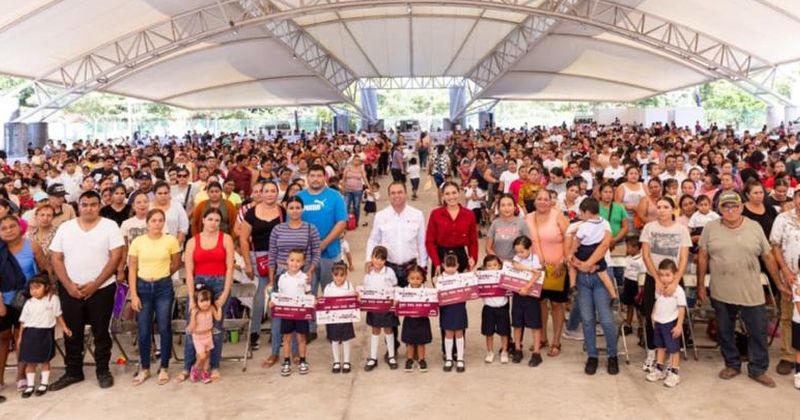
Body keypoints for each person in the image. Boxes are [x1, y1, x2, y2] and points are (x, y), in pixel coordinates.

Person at [697, 191, 784, 388]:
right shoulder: (710, 228)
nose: (730, 210)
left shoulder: (754, 227)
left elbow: (768, 257)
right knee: (725, 331)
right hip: (721, 290)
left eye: (734, 206)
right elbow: (702, 256)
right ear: (719, 210)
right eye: (726, 207)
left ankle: (758, 369)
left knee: (758, 331)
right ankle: (732, 364)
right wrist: (701, 284)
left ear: (741, 207)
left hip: (751, 291)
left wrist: (778, 283)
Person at [48, 190, 124, 391]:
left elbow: (115, 257)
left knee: (101, 332)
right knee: (72, 333)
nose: (89, 208)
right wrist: (68, 286)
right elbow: (55, 258)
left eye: (93, 204)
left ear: (99, 205)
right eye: (84, 204)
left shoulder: (110, 226)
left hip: (102, 289)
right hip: (71, 290)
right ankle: (73, 372)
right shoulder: (66, 228)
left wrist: (95, 284)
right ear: (78, 206)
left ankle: (102, 370)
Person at [178, 208, 235, 383]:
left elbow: (229, 267)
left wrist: (225, 293)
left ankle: (214, 365)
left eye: (217, 220)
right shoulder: (192, 242)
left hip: (219, 283)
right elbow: (189, 271)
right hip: (198, 287)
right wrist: (191, 298)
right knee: (192, 327)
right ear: (203, 220)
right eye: (210, 219)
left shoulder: (226, 239)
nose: (213, 223)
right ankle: (188, 367)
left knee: (216, 328)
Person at [264, 196, 320, 368]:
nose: (294, 211)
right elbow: (271, 254)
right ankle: (274, 353)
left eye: (297, 207)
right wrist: (272, 278)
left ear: (302, 210)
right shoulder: (278, 229)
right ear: (286, 209)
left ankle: (296, 353)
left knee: (298, 314)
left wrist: (309, 271)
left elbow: (316, 252)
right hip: (281, 273)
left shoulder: (310, 229)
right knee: (278, 316)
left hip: (302, 274)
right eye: (291, 208)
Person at [127, 209, 181, 386]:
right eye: (154, 221)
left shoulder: (171, 241)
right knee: (143, 329)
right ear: (147, 223)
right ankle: (144, 368)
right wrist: (134, 295)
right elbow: (132, 269)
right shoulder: (138, 242)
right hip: (142, 287)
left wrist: (163, 275)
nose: (157, 224)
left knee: (164, 326)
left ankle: (164, 367)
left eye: (160, 220)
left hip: (163, 287)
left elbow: (176, 263)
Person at [297, 164, 347, 340]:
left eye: (319, 175)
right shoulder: (299, 198)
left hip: (330, 254)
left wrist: (324, 243)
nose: (316, 179)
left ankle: (332, 327)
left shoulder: (335, 197)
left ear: (324, 177)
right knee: (308, 293)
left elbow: (341, 222)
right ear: (307, 177)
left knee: (331, 292)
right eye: (312, 175)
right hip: (306, 257)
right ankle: (310, 329)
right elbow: (293, 224)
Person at [239, 181, 285, 350]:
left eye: (273, 191)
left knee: (277, 297)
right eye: (267, 191)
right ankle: (255, 333)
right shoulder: (251, 213)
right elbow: (243, 238)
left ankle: (277, 332)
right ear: (261, 193)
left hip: (280, 259)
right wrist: (247, 263)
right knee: (259, 298)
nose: (270, 194)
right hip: (257, 258)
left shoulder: (282, 211)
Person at [525, 189, 569, 356]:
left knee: (557, 305)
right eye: (539, 199)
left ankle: (556, 341)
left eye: (546, 199)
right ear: (534, 201)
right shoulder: (528, 218)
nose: (543, 202)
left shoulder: (558, 216)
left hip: (558, 269)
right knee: (540, 303)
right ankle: (542, 337)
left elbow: (569, 238)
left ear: (552, 201)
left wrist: (563, 260)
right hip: (536, 270)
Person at [16, 274, 71, 398]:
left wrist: (65, 327)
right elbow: (23, 321)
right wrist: (20, 337)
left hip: (45, 333)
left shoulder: (53, 299)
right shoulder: (29, 303)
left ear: (46, 287)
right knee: (30, 362)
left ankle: (44, 383)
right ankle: (30, 385)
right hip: (30, 334)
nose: (34, 291)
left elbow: (58, 315)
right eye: (31, 288)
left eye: (37, 287)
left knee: (45, 360)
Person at [770, 191, 800, 376]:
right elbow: (775, 246)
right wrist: (786, 271)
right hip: (791, 277)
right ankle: (788, 355)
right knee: (788, 317)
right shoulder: (783, 218)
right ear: (795, 199)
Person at [567, 198, 619, 304]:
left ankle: (572, 286)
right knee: (603, 274)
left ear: (587, 212)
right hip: (597, 252)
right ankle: (613, 296)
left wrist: (571, 253)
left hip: (585, 250)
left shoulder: (584, 225)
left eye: (581, 213)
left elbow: (577, 241)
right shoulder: (603, 223)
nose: (580, 215)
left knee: (572, 265)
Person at [645, 259, 687, 388]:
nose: (664, 278)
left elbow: (681, 308)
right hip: (659, 322)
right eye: (661, 275)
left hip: (671, 323)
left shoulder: (678, 290)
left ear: (674, 275)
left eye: (667, 275)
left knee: (674, 349)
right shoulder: (659, 288)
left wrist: (679, 325)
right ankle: (659, 369)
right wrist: (653, 315)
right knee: (660, 347)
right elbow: (657, 302)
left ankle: (674, 372)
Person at [274, 249, 312, 377]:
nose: (294, 263)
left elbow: (308, 294)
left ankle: (302, 361)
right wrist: (273, 302)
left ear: (302, 263)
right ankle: (286, 362)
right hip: (287, 313)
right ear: (287, 261)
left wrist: (313, 301)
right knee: (287, 338)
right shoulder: (282, 278)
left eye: (298, 261)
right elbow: (279, 295)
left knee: (301, 338)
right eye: (292, 260)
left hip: (301, 313)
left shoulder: (304, 278)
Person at [363, 246, 399, 371]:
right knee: (375, 330)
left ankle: (392, 356)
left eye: (381, 259)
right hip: (374, 307)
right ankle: (373, 358)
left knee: (389, 330)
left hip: (387, 306)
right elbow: (365, 290)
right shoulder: (368, 274)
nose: (378, 261)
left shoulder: (390, 272)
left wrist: (395, 298)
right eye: (376, 258)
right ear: (371, 258)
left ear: (385, 260)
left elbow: (395, 286)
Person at [510, 236, 544, 367]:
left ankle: (536, 352)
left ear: (530, 248)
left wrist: (527, 287)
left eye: (522, 251)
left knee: (535, 324)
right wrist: (529, 269)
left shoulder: (535, 258)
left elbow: (538, 274)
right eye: (517, 251)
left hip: (531, 295)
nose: (519, 254)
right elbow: (515, 265)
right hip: (518, 294)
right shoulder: (517, 258)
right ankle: (518, 349)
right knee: (517, 323)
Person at [434, 253, 468, 372]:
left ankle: (460, 358)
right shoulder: (440, 279)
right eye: (448, 266)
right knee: (448, 333)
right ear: (443, 265)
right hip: (447, 309)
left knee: (459, 333)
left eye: (453, 266)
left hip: (459, 308)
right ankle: (448, 358)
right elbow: (436, 295)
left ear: (457, 266)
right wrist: (435, 283)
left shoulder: (462, 278)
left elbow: (469, 290)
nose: (451, 269)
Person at [324, 262, 356, 374]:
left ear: (346, 275)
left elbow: (353, 300)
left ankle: (346, 361)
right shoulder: (328, 287)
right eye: (336, 275)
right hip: (333, 319)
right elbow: (324, 303)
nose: (339, 278)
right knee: (334, 340)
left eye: (342, 275)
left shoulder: (349, 286)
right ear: (332, 275)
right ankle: (336, 361)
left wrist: (357, 296)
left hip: (346, 318)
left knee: (346, 340)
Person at [187, 288, 222, 383]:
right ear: (196, 302)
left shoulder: (211, 308)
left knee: (207, 356)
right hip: (198, 337)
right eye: (202, 301)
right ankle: (195, 368)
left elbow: (218, 318)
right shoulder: (195, 311)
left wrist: (219, 308)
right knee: (202, 356)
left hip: (208, 335)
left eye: (207, 300)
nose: (205, 303)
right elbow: (191, 327)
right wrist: (193, 316)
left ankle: (204, 373)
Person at [401, 265, 432, 372]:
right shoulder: (404, 291)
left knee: (421, 342)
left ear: (423, 279)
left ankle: (421, 360)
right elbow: (398, 302)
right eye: (412, 278)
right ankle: (409, 360)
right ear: (408, 279)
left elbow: (432, 302)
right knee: (409, 342)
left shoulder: (427, 291)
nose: (415, 281)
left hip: (422, 319)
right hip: (409, 319)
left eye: (418, 278)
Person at [480, 255, 510, 364]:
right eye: (489, 266)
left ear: (499, 266)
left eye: (495, 265)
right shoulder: (482, 278)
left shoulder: (504, 276)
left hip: (502, 307)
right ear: (484, 267)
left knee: (504, 332)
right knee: (489, 332)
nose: (492, 267)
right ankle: (490, 352)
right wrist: (476, 276)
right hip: (488, 308)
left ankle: (504, 351)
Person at [621, 236, 645, 336]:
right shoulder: (627, 258)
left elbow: (643, 274)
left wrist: (641, 288)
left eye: (629, 247)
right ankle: (628, 324)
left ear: (636, 248)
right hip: (628, 282)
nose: (627, 249)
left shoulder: (642, 260)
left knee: (638, 307)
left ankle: (641, 326)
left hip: (637, 284)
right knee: (629, 305)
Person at [342, 155, 368, 226]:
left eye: (358, 160)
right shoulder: (348, 167)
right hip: (348, 189)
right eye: (355, 159)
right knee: (346, 206)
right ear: (352, 160)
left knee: (356, 206)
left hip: (358, 190)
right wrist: (343, 188)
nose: (356, 161)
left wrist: (369, 187)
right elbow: (343, 178)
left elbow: (365, 178)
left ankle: (355, 222)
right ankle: (345, 223)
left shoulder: (361, 168)